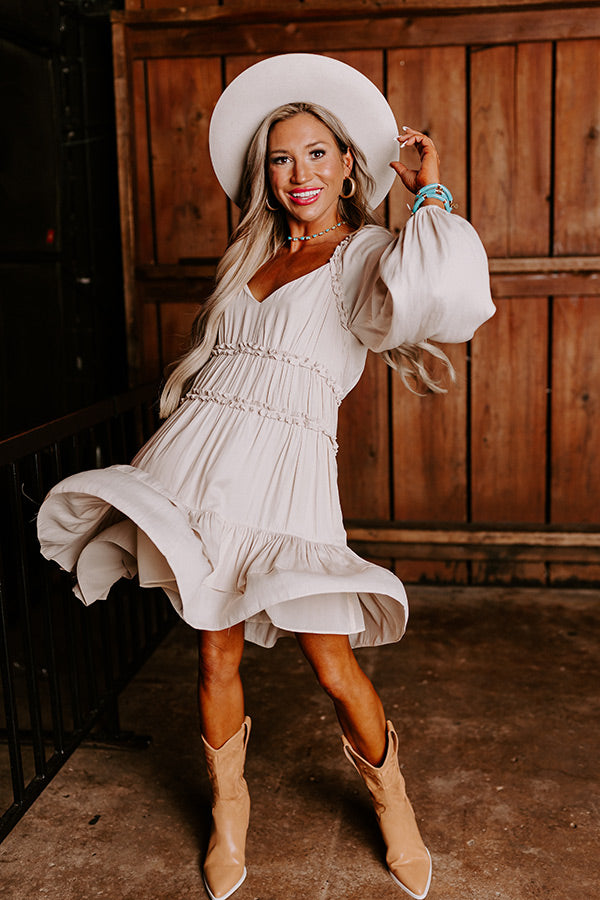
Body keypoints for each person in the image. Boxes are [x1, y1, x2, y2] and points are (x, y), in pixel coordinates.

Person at [37, 54, 494, 900]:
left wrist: (429, 191)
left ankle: (394, 805)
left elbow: (445, 294)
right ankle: (229, 813)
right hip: (204, 472)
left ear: (349, 164)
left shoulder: (367, 253)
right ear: (266, 174)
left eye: (317, 153)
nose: (298, 173)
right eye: (282, 158)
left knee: (333, 666)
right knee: (214, 657)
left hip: (287, 485)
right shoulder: (250, 251)